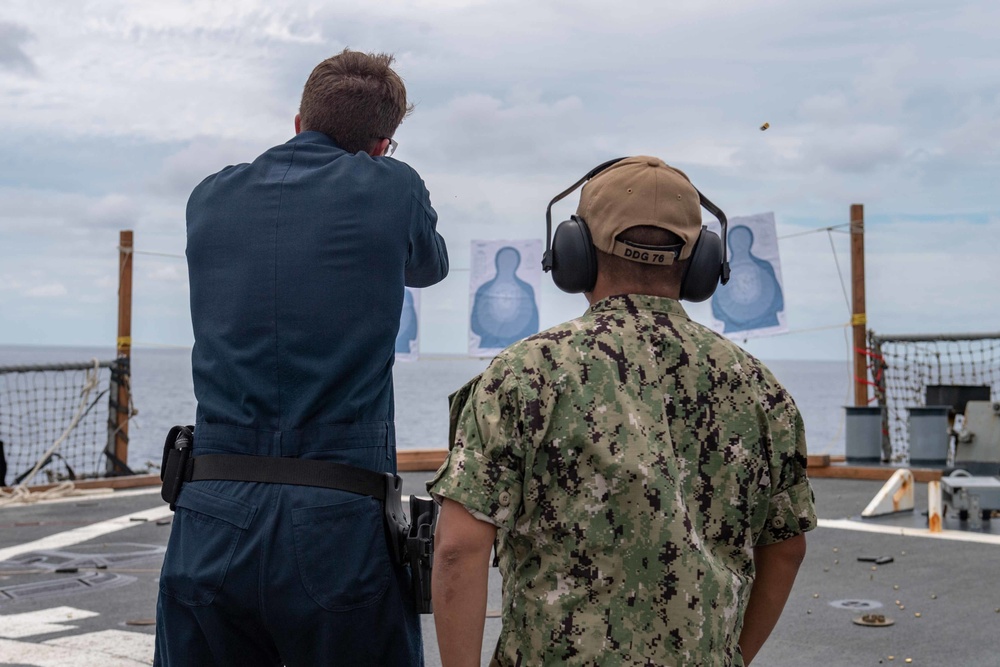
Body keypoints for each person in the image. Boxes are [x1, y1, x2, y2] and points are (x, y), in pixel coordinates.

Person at [428, 156, 815, 666]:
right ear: (703, 264)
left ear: (574, 253)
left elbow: (458, 548)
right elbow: (785, 549)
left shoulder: (523, 374)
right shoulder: (763, 390)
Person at [155, 49, 448, 666]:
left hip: (210, 509)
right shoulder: (392, 185)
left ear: (297, 123)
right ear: (381, 143)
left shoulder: (208, 196)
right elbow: (431, 264)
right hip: (339, 518)